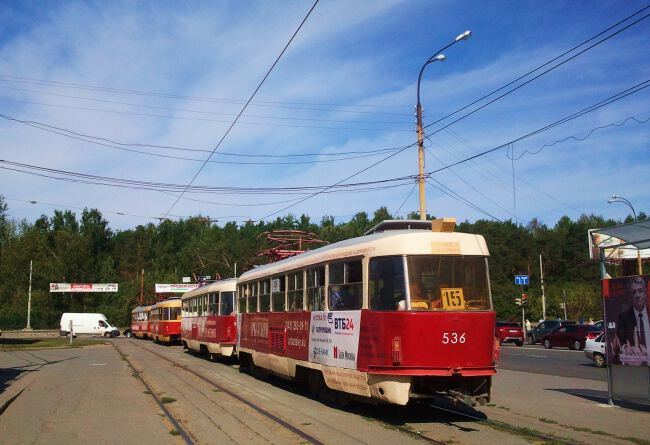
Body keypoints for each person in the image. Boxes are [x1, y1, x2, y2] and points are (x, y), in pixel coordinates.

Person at [616, 276, 650, 365]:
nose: (637, 295)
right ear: (630, 297)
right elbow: (621, 342)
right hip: (635, 365)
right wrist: (626, 348)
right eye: (633, 292)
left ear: (645, 293)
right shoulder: (623, 317)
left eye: (640, 291)